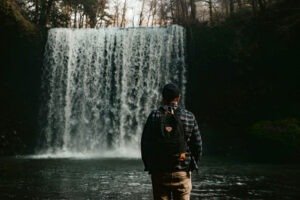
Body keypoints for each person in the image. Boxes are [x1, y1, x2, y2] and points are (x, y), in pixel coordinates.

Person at [141, 83, 202, 200]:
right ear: (178, 97)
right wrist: (191, 165)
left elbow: (145, 144)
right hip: (182, 171)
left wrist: (149, 166)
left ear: (162, 98)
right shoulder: (189, 116)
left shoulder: (154, 116)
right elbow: (197, 145)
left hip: (160, 172)